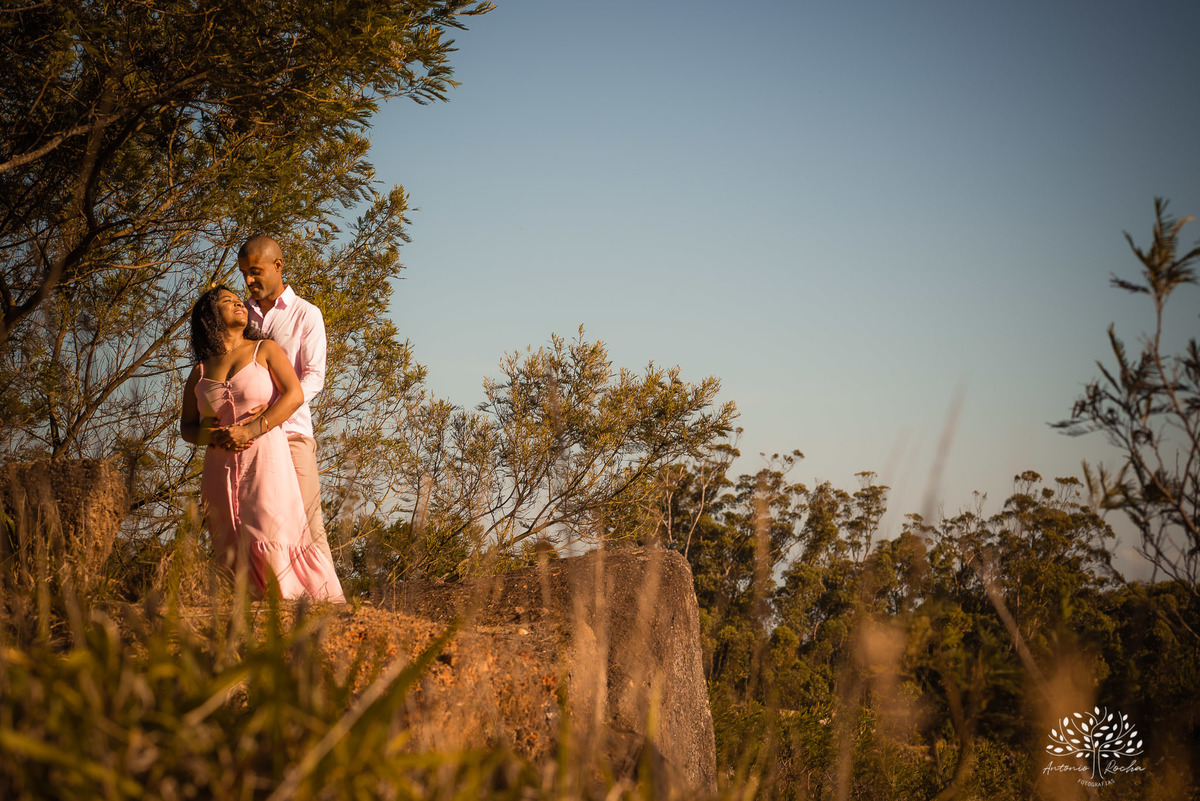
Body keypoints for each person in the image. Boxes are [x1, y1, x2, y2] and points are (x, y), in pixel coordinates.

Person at [180, 285, 345, 601]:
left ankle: (293, 604)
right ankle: (243, 611)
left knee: (270, 528)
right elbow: (187, 427)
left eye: (237, 299)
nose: (238, 302)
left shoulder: (265, 350)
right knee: (227, 536)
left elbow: (294, 395)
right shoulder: (199, 372)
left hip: (266, 457)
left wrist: (252, 428)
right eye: (227, 302)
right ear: (210, 317)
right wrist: (210, 436)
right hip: (218, 469)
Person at [234, 235, 339, 572]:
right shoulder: (239, 317)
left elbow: (314, 377)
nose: (249, 281)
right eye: (244, 274)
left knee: (308, 521)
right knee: (256, 523)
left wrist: (278, 408)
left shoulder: (306, 314)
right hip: (247, 439)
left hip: (292, 434)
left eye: (255, 272)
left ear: (278, 266)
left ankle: (329, 604)